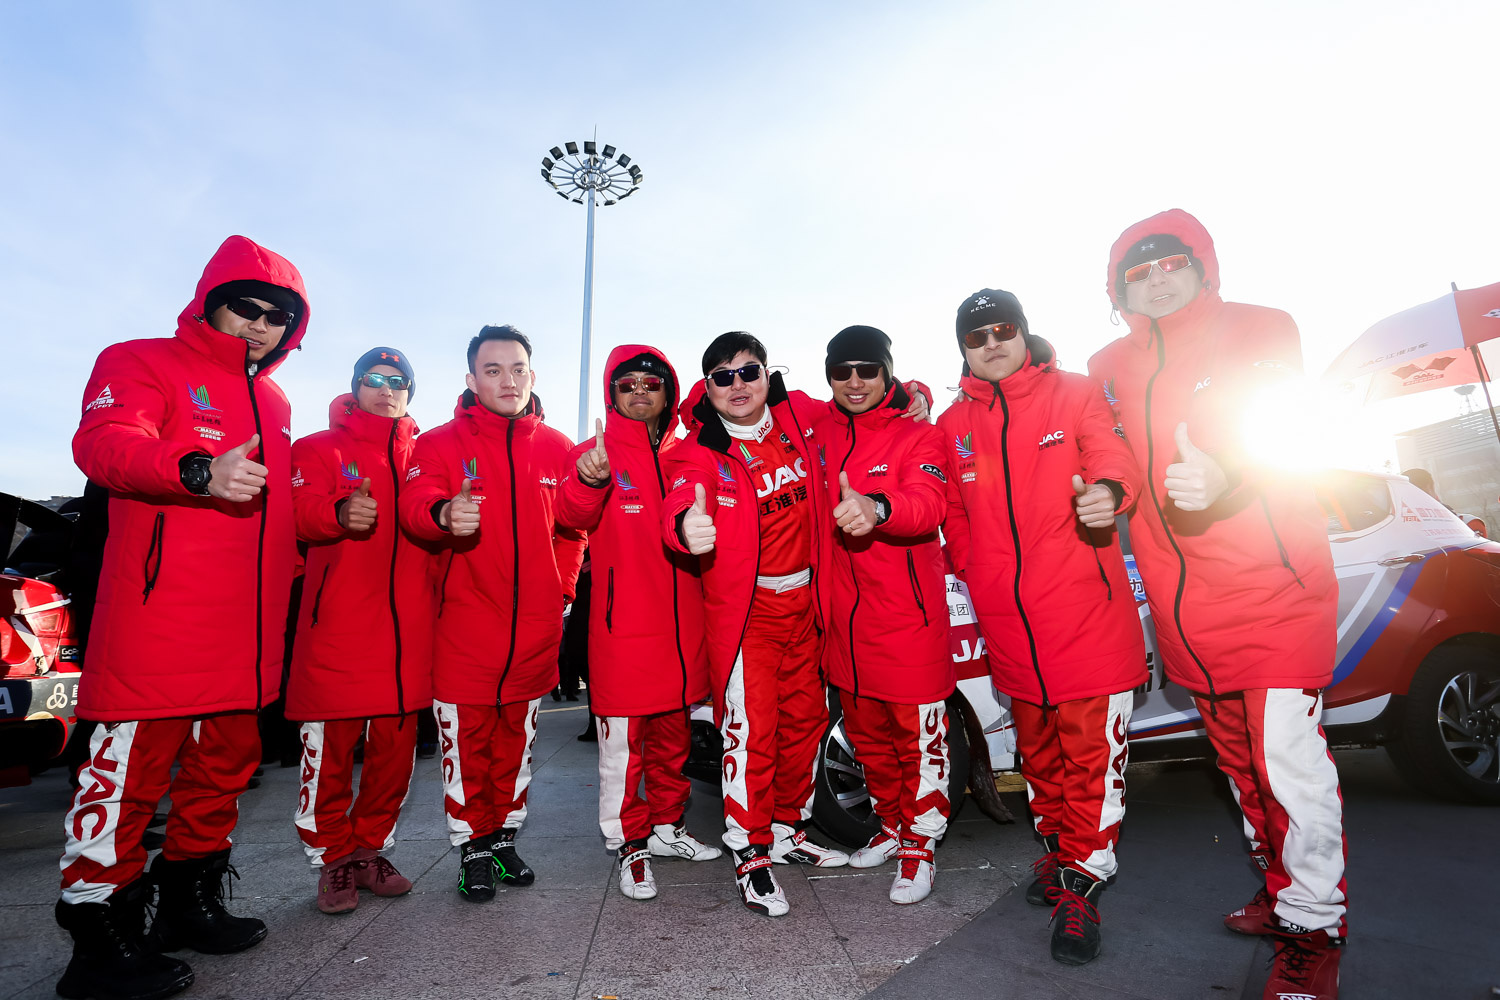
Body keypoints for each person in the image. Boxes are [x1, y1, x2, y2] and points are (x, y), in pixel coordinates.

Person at [1089, 210, 1346, 1000]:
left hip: (1272, 591)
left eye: (1172, 263)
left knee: (1289, 770)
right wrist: (1106, 493)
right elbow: (1104, 452)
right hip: (1185, 614)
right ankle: (1280, 892)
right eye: (1139, 272)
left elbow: (1281, 423)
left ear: (1203, 265)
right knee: (1240, 768)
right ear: (1119, 290)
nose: (1158, 279)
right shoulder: (1108, 365)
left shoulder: (1261, 326)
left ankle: (1315, 928)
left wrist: (1227, 473)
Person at [58, 236, 308, 1000]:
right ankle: (98, 932)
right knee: (127, 779)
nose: (259, 324)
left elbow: (277, 509)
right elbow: (103, 444)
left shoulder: (274, 401)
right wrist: (197, 469)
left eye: (278, 316)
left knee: (223, 770)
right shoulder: (140, 361)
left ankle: (186, 901)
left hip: (246, 628)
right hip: (159, 620)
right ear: (209, 304)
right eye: (245, 307)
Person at [939, 289, 1145, 965]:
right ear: (964, 349)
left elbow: (1114, 458)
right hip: (1010, 628)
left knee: (1090, 767)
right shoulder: (952, 422)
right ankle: (1060, 858)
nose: (991, 343)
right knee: (1040, 763)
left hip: (1087, 619)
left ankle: (1083, 886)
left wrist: (1107, 493)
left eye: (1003, 329)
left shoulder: (1077, 392)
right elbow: (953, 512)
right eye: (976, 336)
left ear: (1023, 333)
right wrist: (973, 566)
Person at [659, 332, 850, 916]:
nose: (737, 385)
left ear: (769, 375)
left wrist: (913, 393)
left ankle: (788, 828)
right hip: (750, 616)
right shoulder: (697, 451)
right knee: (752, 734)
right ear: (708, 387)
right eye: (723, 377)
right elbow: (677, 502)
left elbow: (861, 403)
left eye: (749, 372)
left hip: (807, 607)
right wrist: (684, 529)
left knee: (806, 725)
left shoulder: (798, 415)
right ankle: (749, 850)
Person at [398, 325, 586, 903]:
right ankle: (472, 847)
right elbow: (414, 504)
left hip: (534, 630)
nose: (508, 380)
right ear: (471, 378)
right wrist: (441, 514)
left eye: (517, 369)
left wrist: (562, 592)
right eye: (493, 370)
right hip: (463, 629)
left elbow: (572, 529)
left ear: (532, 375)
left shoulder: (557, 446)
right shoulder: (437, 443)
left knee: (516, 746)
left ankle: (503, 838)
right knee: (467, 748)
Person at [556, 345, 722, 901]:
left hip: (682, 632)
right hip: (623, 630)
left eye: (651, 383)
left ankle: (669, 826)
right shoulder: (593, 455)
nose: (639, 392)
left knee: (674, 743)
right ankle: (630, 844)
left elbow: (726, 395)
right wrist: (590, 480)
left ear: (667, 390)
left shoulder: (687, 452)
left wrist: (912, 393)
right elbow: (571, 516)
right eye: (627, 384)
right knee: (624, 753)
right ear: (612, 394)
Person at [809, 325, 955, 905]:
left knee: (919, 745)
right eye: (841, 371)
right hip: (844, 625)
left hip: (907, 622)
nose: (854, 382)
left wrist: (878, 507)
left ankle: (921, 846)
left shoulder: (920, 434)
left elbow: (929, 503)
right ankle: (893, 827)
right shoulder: (817, 426)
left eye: (868, 370)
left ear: (887, 372)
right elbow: (725, 399)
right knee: (869, 743)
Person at [286, 348, 435, 913]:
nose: (386, 389)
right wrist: (337, 513)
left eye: (398, 381)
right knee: (329, 754)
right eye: (374, 378)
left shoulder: (425, 455)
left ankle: (370, 850)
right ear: (355, 386)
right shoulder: (317, 448)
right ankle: (333, 858)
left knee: (394, 757)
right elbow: (297, 512)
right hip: (339, 630)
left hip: (408, 635)